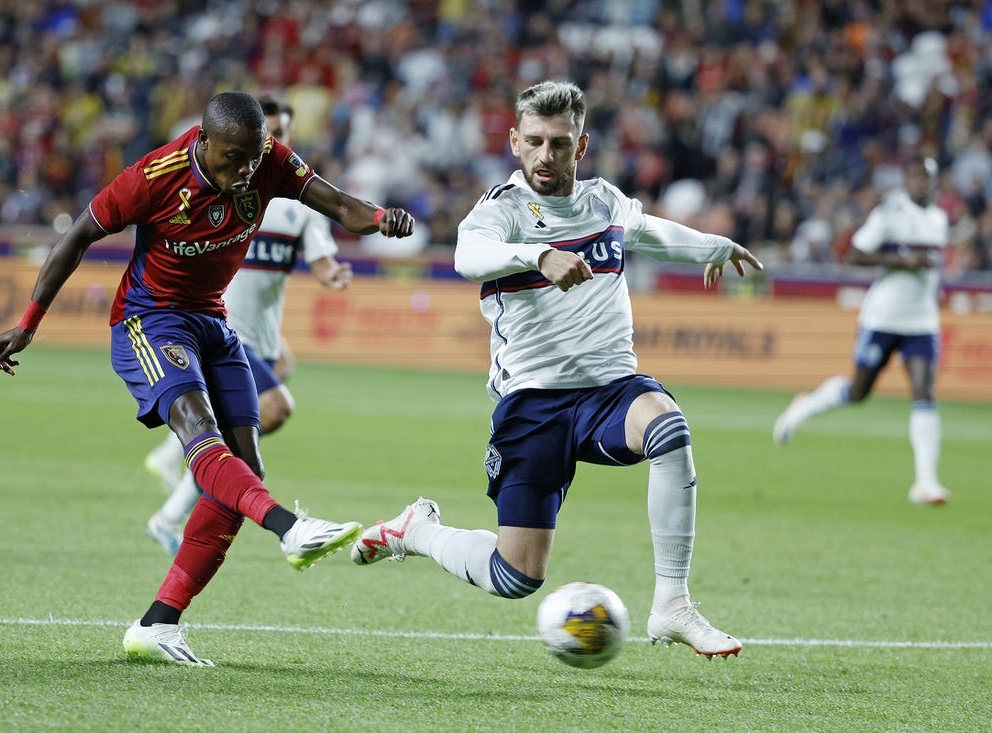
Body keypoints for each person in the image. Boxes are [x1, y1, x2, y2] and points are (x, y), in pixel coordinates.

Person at [0, 91, 415, 666]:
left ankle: (157, 625)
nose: (243, 173)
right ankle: (289, 527)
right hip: (150, 319)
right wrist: (28, 324)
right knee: (198, 430)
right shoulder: (153, 176)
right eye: (231, 159)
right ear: (204, 141)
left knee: (244, 473)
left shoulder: (269, 162)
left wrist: (382, 219)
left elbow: (335, 203)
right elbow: (77, 237)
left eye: (252, 159)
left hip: (214, 323)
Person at [350, 81, 760, 659]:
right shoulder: (501, 211)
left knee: (669, 429)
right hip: (533, 403)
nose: (547, 155)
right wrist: (537, 256)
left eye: (560, 144)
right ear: (515, 142)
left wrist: (713, 246)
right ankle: (417, 530)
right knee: (516, 576)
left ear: (581, 145)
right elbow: (469, 257)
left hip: (608, 391)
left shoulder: (605, 203)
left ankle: (672, 605)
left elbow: (652, 232)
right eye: (535, 142)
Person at [143, 96, 353, 557]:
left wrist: (332, 274)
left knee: (280, 369)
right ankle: (175, 512)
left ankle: (174, 479)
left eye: (278, 132)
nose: (270, 140)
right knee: (275, 408)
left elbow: (322, 262)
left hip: (260, 335)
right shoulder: (224, 189)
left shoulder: (299, 206)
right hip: (218, 326)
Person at [773, 157, 951, 505]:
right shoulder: (890, 214)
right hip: (883, 317)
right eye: (916, 177)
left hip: (922, 320)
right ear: (907, 178)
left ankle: (925, 482)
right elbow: (854, 255)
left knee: (924, 390)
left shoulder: (939, 219)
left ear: (934, 181)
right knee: (859, 391)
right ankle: (807, 405)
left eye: (927, 178)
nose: (921, 184)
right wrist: (901, 261)